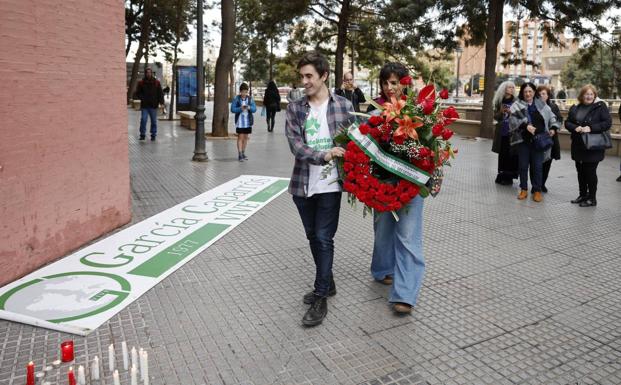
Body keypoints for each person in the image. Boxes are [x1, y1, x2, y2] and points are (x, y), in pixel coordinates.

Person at [285, 51, 353, 326]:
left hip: (331, 184)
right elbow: (295, 144)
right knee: (313, 236)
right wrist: (322, 155)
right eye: (302, 76)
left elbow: (354, 141)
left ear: (324, 75)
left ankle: (321, 295)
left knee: (324, 237)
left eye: (309, 76)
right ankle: (329, 280)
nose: (305, 81)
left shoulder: (344, 106)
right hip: (303, 182)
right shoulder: (295, 108)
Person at [367, 62, 425, 315]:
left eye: (395, 83)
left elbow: (431, 147)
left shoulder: (418, 109)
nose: (390, 88)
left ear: (405, 83)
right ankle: (382, 269)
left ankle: (405, 294)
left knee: (408, 237)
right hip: (382, 183)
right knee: (383, 230)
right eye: (385, 83)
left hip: (411, 183)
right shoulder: (374, 109)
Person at [509, 82, 559, 202]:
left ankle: (537, 190)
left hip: (539, 140)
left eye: (530, 91)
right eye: (525, 91)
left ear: (534, 92)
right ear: (522, 92)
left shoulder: (540, 103)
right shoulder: (516, 105)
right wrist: (526, 126)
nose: (528, 94)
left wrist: (553, 128)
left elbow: (552, 116)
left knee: (537, 167)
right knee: (523, 166)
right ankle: (524, 189)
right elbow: (513, 121)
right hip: (523, 140)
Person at [564, 84, 612, 207]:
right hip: (578, 145)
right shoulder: (576, 107)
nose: (589, 96)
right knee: (580, 172)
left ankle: (592, 198)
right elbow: (567, 123)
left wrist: (590, 128)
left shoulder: (600, 107)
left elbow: (607, 123)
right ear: (582, 96)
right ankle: (582, 195)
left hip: (593, 147)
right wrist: (576, 127)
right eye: (587, 94)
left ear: (594, 95)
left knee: (590, 172)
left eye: (591, 94)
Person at [531, 84, 562, 193]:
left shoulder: (553, 107)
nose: (541, 96)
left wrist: (553, 128)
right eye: (539, 94)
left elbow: (559, 120)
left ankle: (542, 183)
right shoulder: (532, 106)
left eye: (544, 94)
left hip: (549, 139)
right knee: (535, 163)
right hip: (536, 139)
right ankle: (535, 185)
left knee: (547, 163)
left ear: (548, 95)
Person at [491, 81, 519, 185]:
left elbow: (521, 116)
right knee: (502, 154)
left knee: (511, 155)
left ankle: (509, 177)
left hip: (513, 132)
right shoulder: (499, 101)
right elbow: (495, 117)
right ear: (504, 89)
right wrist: (501, 112)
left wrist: (513, 113)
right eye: (509, 87)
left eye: (513, 87)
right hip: (502, 132)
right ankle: (501, 174)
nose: (511, 89)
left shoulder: (516, 101)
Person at [135, 67, 164, 141]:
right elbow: (137, 93)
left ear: (151, 73)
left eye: (149, 72)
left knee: (154, 121)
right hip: (145, 106)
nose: (148, 74)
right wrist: (142, 98)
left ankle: (153, 135)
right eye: (147, 72)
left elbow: (160, 93)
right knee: (143, 120)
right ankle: (142, 134)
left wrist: (162, 102)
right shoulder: (141, 83)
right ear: (145, 73)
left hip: (153, 106)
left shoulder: (156, 82)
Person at [230, 83, 256, 162]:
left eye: (246, 92)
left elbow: (254, 109)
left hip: (248, 122)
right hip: (240, 122)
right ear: (240, 92)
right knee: (240, 137)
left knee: (245, 138)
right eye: (243, 92)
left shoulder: (250, 99)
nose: (244, 94)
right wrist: (240, 108)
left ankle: (243, 153)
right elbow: (232, 109)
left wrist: (249, 107)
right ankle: (240, 154)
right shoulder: (236, 99)